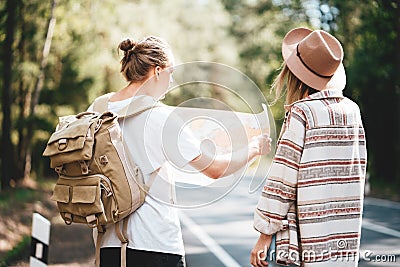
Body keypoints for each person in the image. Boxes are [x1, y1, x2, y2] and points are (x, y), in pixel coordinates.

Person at [88, 36, 271, 267]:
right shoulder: (161, 117)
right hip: (154, 244)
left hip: (107, 245)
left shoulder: (96, 109)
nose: (171, 80)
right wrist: (254, 149)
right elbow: (215, 169)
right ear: (156, 71)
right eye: (170, 72)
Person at [250, 27, 367, 267]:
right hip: (346, 243)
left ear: (293, 74)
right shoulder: (353, 111)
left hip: (309, 245)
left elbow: (282, 180)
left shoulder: (302, 113)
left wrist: (264, 235)